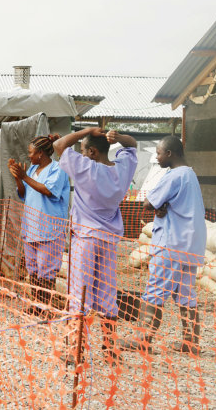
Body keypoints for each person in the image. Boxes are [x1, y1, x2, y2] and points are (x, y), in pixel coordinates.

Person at [53, 127, 137, 362]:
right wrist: (119, 137)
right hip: (109, 240)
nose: (80, 153)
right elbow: (132, 145)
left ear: (91, 152)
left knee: (80, 293)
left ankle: (75, 350)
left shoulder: (86, 168)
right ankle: (110, 349)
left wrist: (87, 130)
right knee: (107, 293)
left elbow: (59, 146)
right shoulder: (122, 168)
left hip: (86, 238)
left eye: (82, 149)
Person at [121, 136, 205, 355]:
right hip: (189, 246)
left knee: (154, 290)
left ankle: (143, 339)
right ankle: (191, 342)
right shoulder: (190, 174)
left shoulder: (174, 175)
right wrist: (164, 204)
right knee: (186, 294)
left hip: (170, 243)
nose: (156, 158)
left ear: (169, 153)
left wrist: (160, 205)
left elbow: (149, 203)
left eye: (158, 154)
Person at [8, 135, 70, 315]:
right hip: (31, 228)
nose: (29, 156)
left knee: (47, 272)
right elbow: (23, 193)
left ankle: (46, 308)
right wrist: (18, 178)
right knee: (33, 270)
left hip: (49, 229)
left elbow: (48, 191)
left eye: (31, 152)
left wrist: (24, 176)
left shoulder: (58, 169)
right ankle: (36, 305)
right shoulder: (34, 168)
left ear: (41, 153)